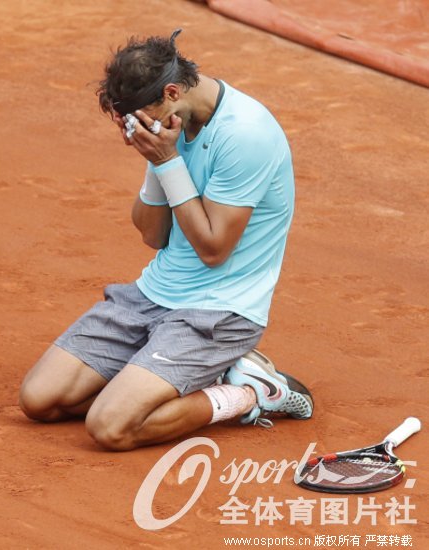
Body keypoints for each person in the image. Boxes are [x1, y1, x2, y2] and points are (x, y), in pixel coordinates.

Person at [19, 29, 313, 451]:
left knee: (111, 427)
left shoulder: (246, 135)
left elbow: (212, 250)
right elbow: (153, 235)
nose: (135, 128)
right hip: (153, 296)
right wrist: (157, 161)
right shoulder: (169, 130)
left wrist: (167, 161)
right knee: (40, 400)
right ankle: (163, 378)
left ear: (171, 91)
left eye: (138, 117)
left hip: (218, 313)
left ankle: (252, 391)